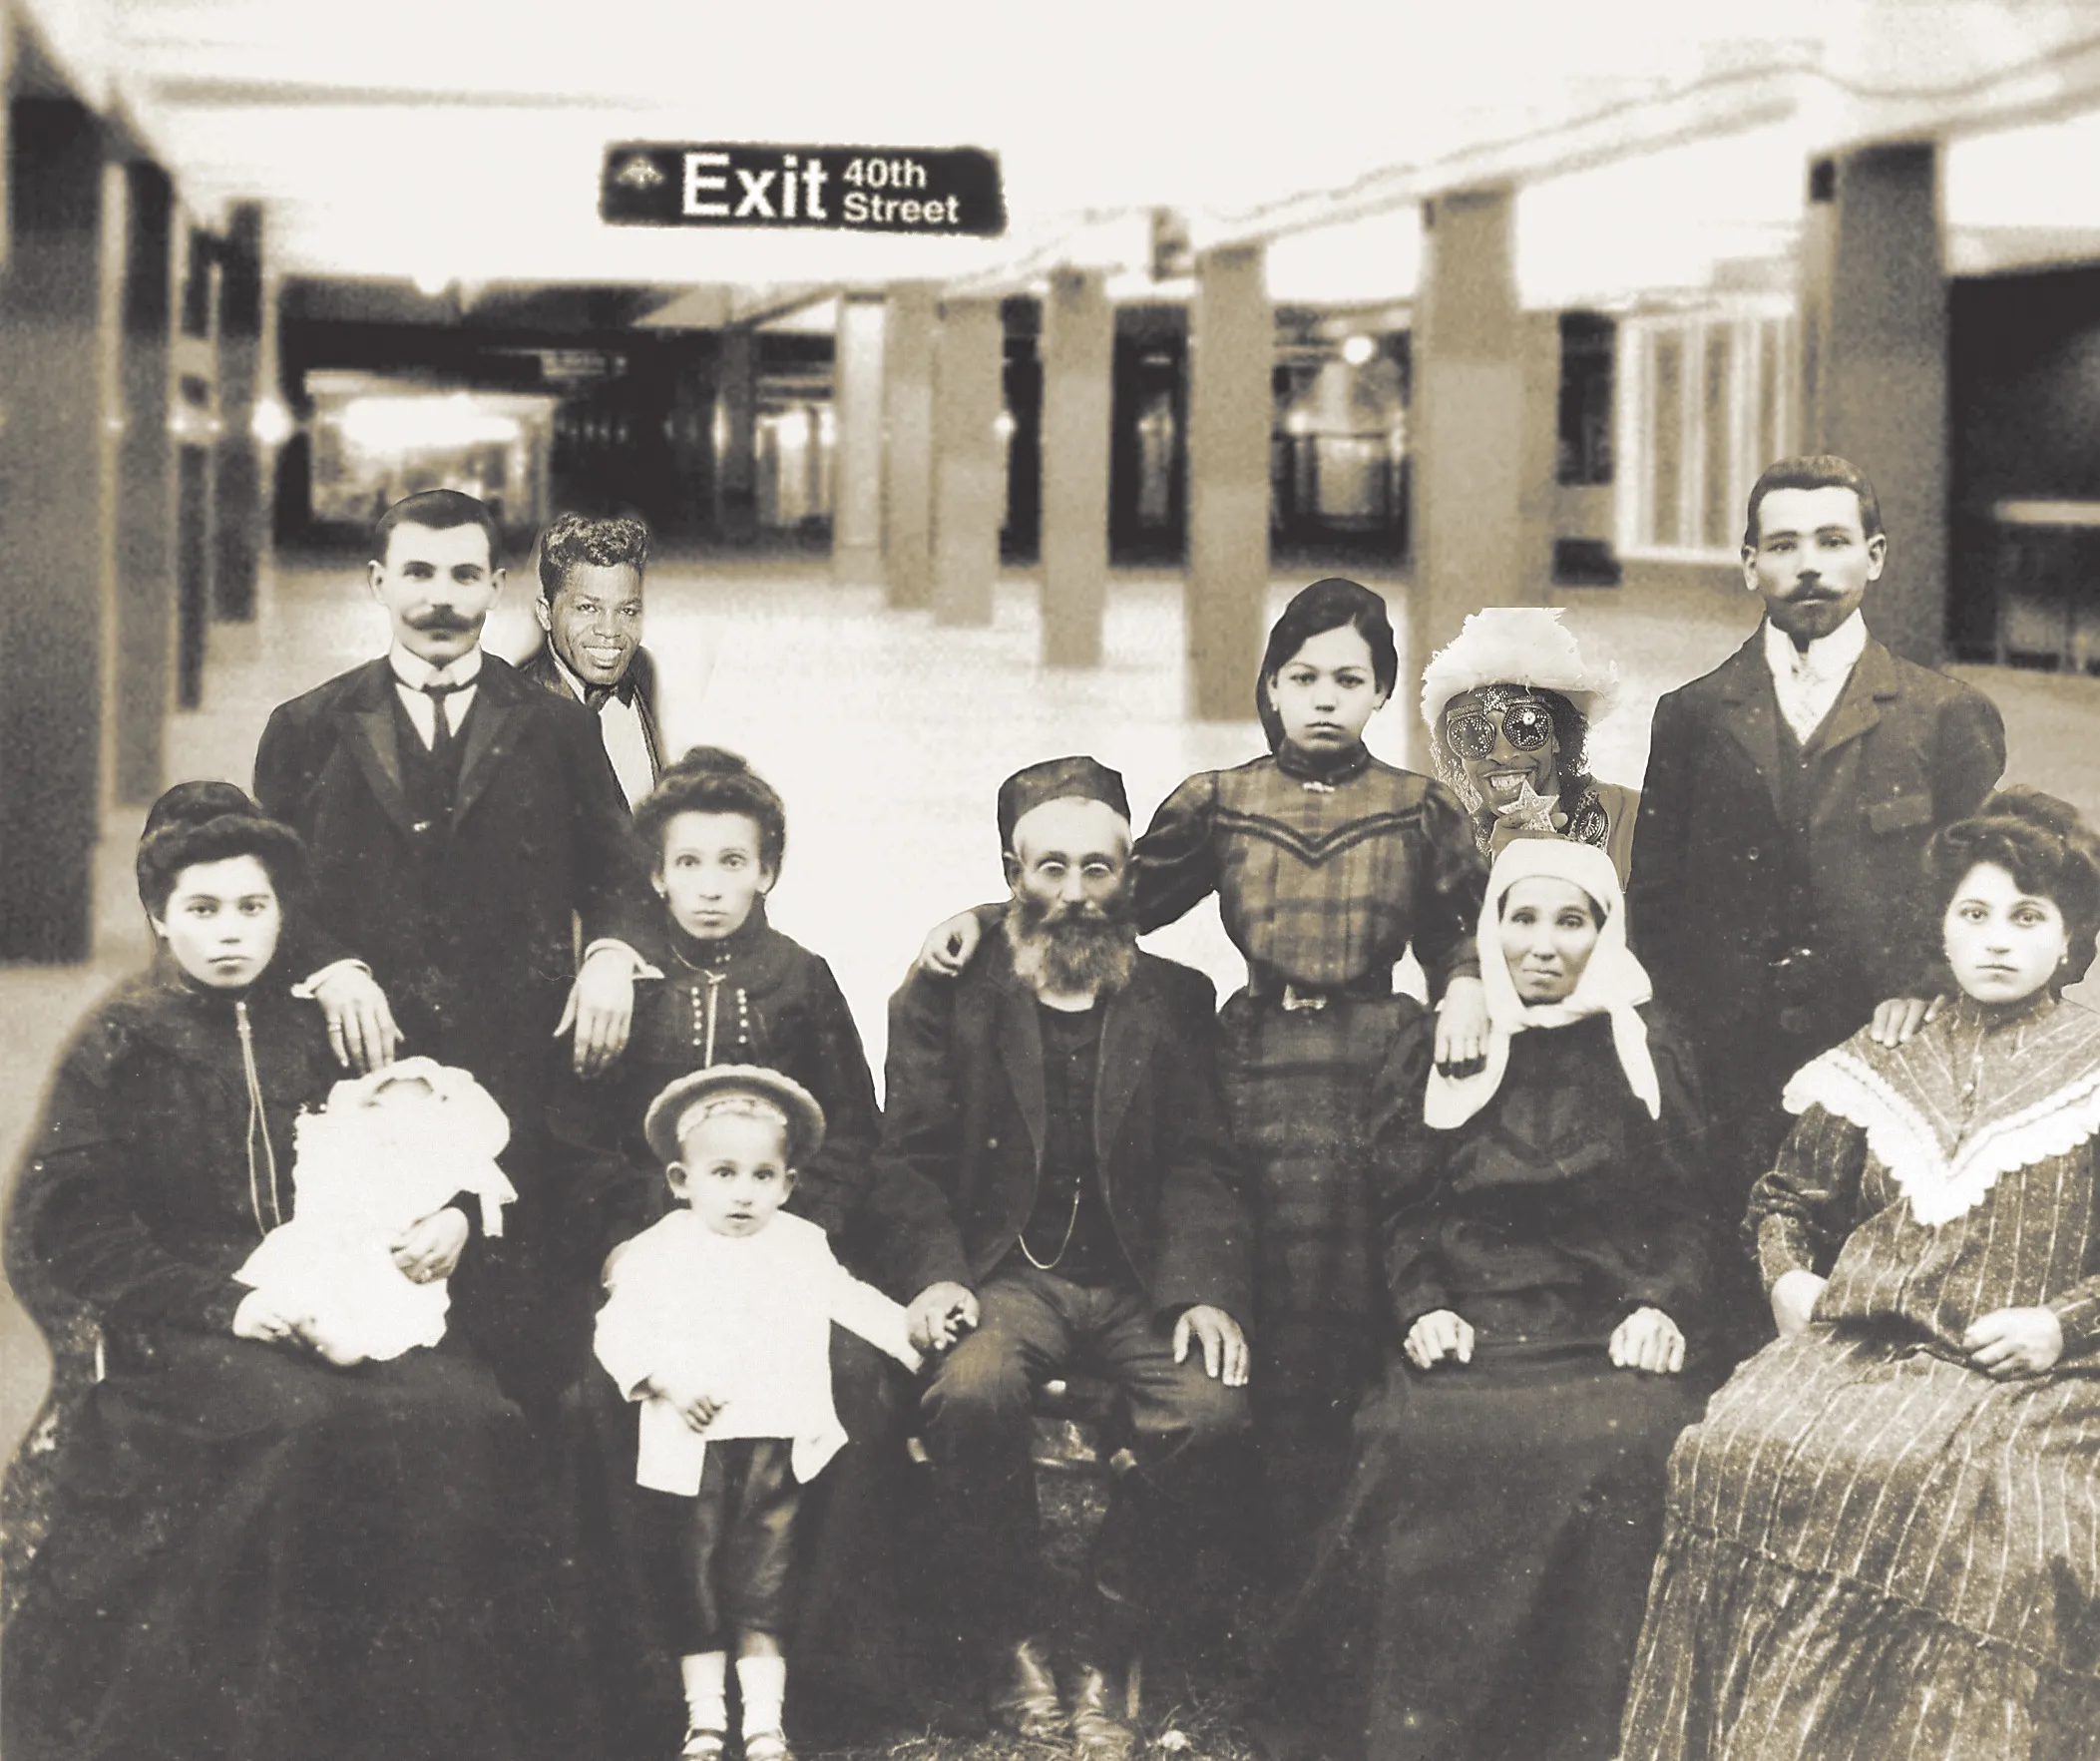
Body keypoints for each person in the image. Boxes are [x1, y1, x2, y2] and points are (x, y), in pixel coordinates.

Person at [915, 580, 1488, 1564]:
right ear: (1269, 686)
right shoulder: (1222, 801)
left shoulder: (1417, 808)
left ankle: (1336, 1540)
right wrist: (981, 915)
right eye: (1299, 676)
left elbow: (1454, 927)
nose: (1322, 697)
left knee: (1354, 1287)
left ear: (1381, 690)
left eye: (1347, 679)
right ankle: (1244, 1542)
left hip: (1375, 1062)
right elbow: (1099, 895)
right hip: (1259, 1055)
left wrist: (1467, 983)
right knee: (1256, 1283)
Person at [1, 784, 557, 1761]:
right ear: (160, 916)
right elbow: (75, 1230)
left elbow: (441, 1136)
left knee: (464, 1415)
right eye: (203, 911)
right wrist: (231, 1303)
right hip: (191, 1324)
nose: (229, 934)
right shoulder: (122, 1043)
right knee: (310, 1425)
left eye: (252, 908)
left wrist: (455, 1216)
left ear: (283, 913)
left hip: (355, 1293)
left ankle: (426, 1728)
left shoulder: (327, 1025)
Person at [1619, 788, 2100, 1760]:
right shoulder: (1889, 1047)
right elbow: (1783, 1197)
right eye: (1972, 913)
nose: (1996, 940)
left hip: (2023, 1372)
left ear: (2070, 938)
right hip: (1860, 1346)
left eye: (2025, 917)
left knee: (1985, 1525)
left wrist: (2060, 1324)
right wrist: (1786, 1279)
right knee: (1734, 1452)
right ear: (1940, 928)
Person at [1262, 836, 1711, 1761]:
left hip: (1599, 1324)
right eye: (1522, 918)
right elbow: (1402, 1206)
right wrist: (1421, 1303)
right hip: (1470, 1315)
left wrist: (1659, 1304)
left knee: (1633, 1438)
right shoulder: (1438, 1044)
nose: (1542, 945)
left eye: (1571, 921)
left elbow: (1686, 1207)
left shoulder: (1645, 1043)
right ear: (1489, 928)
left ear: (1604, 932)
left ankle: (1578, 1728)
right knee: (1422, 1435)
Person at [875, 756, 1253, 1760]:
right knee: (970, 1391)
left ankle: (1108, 1638)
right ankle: (1014, 1637)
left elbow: (1201, 1161)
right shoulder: (944, 993)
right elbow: (904, 1162)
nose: (1077, 894)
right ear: (1010, 872)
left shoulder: (1178, 993)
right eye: (1051, 868)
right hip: (1006, 1277)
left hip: (1138, 1281)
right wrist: (938, 1275)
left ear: (1130, 872)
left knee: (1208, 1409)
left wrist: (1205, 1291)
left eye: (1100, 867)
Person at [252, 488, 658, 1416]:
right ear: (377, 582)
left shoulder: (556, 729)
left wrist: (607, 957)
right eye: (419, 573)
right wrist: (335, 965)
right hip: (361, 1078)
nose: (441, 597)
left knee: (517, 1353)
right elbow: (272, 892)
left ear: (498, 586)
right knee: (369, 1355)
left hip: (515, 1074)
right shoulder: (306, 727)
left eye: (464, 574)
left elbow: (620, 875)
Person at [551, 746, 904, 1739]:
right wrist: (638, 1234)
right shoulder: (623, 976)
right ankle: (642, 1668)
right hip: (651, 1265)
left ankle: (819, 1665)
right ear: (655, 874)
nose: (711, 886)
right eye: (689, 864)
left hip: (779, 1259)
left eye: (733, 862)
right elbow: (574, 1137)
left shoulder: (799, 979)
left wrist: (790, 1233)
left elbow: (852, 1131)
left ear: (768, 870)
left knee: (859, 1385)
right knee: (595, 1395)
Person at [1626, 455, 2004, 1344]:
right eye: (1783, 543)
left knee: (1862, 1271)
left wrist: (1927, 980)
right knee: (1728, 1265)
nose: (1809, 565)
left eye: (1832, 542)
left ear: (1873, 556)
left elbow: (1985, 884)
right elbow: (1655, 895)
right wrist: (1674, 1023)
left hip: (1882, 1046)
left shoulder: (1944, 716)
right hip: (1726, 1051)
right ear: (1747, 561)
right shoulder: (1692, 713)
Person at [590, 1067, 921, 1761]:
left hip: (774, 1438)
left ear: (788, 1183)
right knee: (695, 1574)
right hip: (692, 1442)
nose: (744, 1192)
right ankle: (704, 1718)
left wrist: (916, 1337)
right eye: (724, 1172)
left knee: (765, 1575)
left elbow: (853, 1301)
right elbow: (617, 1329)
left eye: (763, 1175)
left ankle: (766, 1721)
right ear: (682, 1180)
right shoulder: (658, 1249)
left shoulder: (799, 1244)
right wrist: (668, 1379)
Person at [1419, 606, 1640, 882]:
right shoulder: (1445, 854)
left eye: (1525, 727)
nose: (1502, 755)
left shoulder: (1633, 817)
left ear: (1558, 737)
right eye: (1473, 735)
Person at [519, 510, 663, 808]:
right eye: (587, 608)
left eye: (627, 611)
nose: (610, 632)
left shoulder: (641, 670)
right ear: (546, 614)